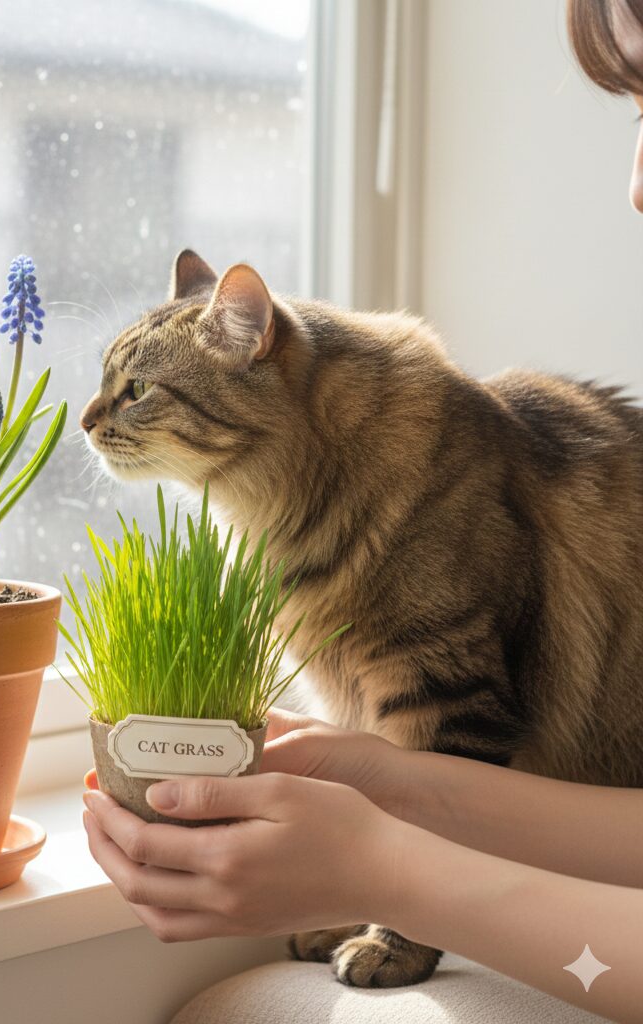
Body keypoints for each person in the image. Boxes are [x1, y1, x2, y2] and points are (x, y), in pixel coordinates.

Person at [81, 2, 643, 1020]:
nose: (637, 183)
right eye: (631, 110)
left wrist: (396, 872)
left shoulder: (437, 476)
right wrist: (392, 793)